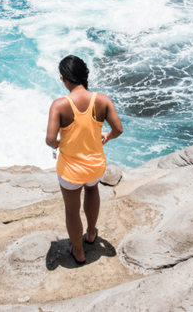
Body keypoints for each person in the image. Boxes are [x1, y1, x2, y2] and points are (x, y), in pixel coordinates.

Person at [46, 55, 123, 265]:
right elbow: (118, 129)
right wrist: (107, 136)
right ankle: (91, 234)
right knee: (92, 190)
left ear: (63, 78)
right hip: (95, 167)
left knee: (72, 211)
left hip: (71, 170)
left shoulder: (59, 105)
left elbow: (50, 139)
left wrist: (59, 144)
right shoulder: (102, 100)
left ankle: (78, 253)